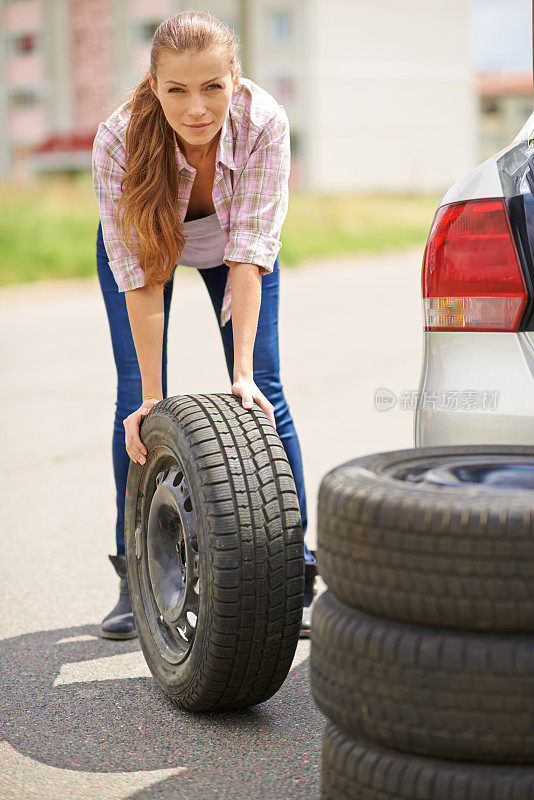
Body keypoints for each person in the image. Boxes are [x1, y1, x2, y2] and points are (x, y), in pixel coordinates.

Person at [92, 9, 317, 641]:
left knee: (264, 392)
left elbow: (249, 252)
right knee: (135, 404)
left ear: (234, 80)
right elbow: (141, 275)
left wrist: (241, 373)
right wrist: (153, 397)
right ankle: (133, 577)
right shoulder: (119, 139)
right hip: (148, 245)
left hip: (233, 245)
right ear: (155, 86)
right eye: (178, 90)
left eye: (212, 87)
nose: (197, 108)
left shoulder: (264, 122)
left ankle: (293, 569)